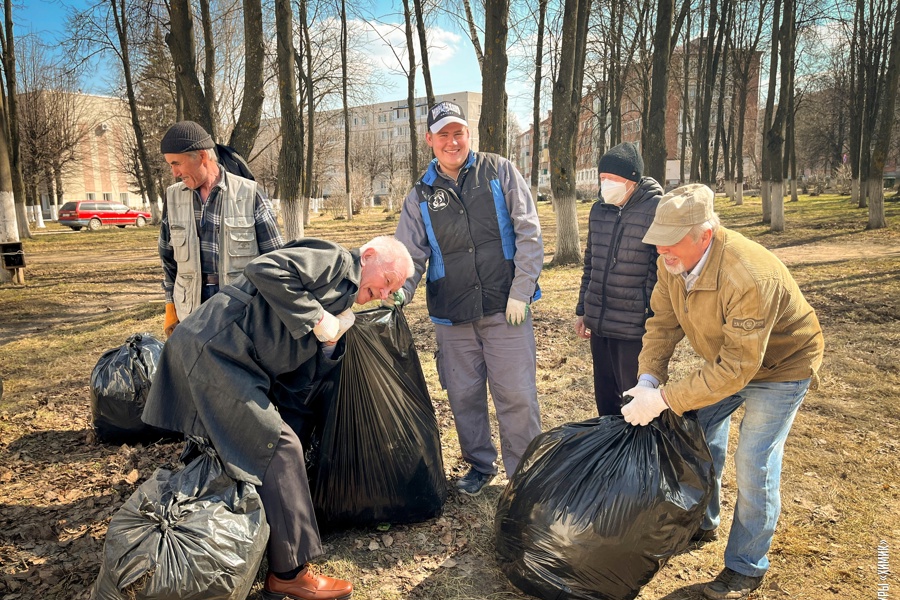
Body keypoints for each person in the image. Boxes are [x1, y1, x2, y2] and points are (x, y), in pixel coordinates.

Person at [142, 235, 415, 600]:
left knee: (258, 445)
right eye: (387, 282)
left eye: (393, 290)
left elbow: (298, 372)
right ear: (368, 257)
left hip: (237, 363)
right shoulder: (335, 261)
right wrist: (318, 318)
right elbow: (264, 268)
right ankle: (289, 574)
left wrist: (330, 343)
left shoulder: (343, 296)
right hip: (218, 353)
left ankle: (234, 541)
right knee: (279, 446)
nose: (384, 293)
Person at [619, 184, 824, 600]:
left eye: (671, 244)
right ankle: (703, 520)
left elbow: (737, 370)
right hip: (730, 360)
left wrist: (663, 399)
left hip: (782, 366)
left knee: (755, 461)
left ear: (705, 235)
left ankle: (746, 567)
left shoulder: (748, 275)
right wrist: (648, 380)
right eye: (658, 245)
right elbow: (662, 323)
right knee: (698, 432)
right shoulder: (671, 261)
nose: (662, 253)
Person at [393, 100, 543, 496]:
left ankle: (525, 473)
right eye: (443, 134)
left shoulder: (499, 171)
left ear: (469, 134)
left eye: (458, 132)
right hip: (452, 315)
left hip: (505, 309)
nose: (452, 141)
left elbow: (529, 232)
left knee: (517, 395)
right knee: (463, 396)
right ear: (430, 140)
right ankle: (480, 464)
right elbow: (409, 255)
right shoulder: (421, 194)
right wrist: (398, 295)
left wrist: (522, 291)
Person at [158, 120, 284, 338]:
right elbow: (168, 261)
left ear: (202, 157)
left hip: (240, 311)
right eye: (170, 165)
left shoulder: (249, 193)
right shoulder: (173, 197)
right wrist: (172, 308)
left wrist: (273, 315)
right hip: (191, 311)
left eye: (176, 163)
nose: (175, 173)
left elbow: (276, 260)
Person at [574, 142, 663, 416]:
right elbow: (591, 263)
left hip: (634, 326)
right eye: (602, 179)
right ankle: (612, 455)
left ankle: (641, 454)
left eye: (613, 179)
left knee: (635, 402)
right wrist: (582, 311)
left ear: (633, 180)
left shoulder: (656, 209)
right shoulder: (599, 209)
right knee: (606, 400)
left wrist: (653, 315)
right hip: (600, 323)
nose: (606, 185)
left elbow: (663, 271)